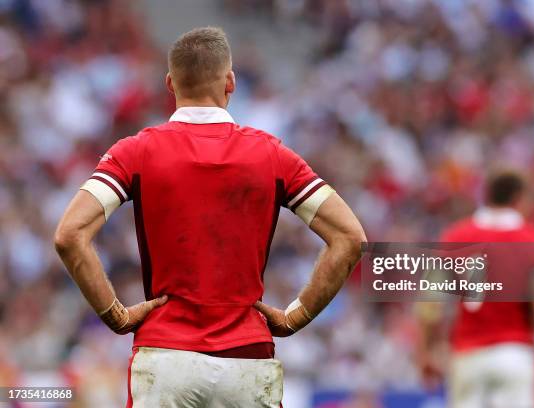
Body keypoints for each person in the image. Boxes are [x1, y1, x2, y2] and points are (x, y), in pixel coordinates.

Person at [54, 26, 366, 408]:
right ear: (230, 81)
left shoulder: (135, 152)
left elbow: (69, 235)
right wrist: (294, 317)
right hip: (247, 358)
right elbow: (350, 237)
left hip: (165, 358)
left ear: (170, 83)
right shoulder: (272, 156)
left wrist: (115, 314)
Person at [416, 169, 534, 408]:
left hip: (467, 354)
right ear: (519, 198)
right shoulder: (533, 240)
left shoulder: (454, 236)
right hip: (515, 354)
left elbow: (430, 303)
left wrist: (425, 351)